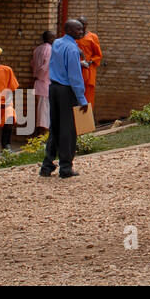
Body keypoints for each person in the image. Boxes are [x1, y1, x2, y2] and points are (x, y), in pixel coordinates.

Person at [41, 19, 89, 178]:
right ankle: (66, 168)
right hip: (66, 91)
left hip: (53, 88)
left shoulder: (57, 43)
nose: (81, 32)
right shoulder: (72, 49)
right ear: (68, 29)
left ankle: (47, 166)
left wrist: (78, 64)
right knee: (67, 129)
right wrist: (81, 98)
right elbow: (74, 77)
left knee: (54, 126)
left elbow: (58, 64)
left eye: (82, 29)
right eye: (78, 29)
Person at [77, 16, 103, 114]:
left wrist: (90, 62)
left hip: (88, 70)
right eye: (78, 23)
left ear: (86, 25)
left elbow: (98, 55)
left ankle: (86, 121)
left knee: (88, 96)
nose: (80, 26)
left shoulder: (92, 37)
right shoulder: (72, 37)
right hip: (75, 69)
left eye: (83, 24)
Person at [32, 30, 54, 135]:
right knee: (44, 114)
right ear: (50, 39)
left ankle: (42, 136)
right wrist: (40, 76)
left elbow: (32, 64)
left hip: (38, 84)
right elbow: (45, 67)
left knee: (42, 111)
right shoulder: (49, 50)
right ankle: (43, 137)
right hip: (45, 83)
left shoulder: (37, 49)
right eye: (53, 38)